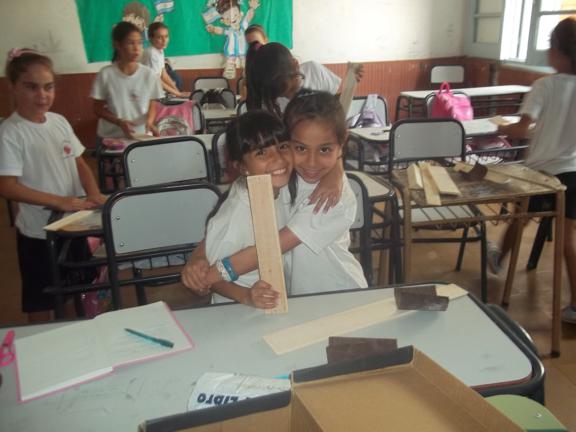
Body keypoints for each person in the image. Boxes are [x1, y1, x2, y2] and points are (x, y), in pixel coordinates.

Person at [181, 91, 367, 301]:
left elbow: (272, 247)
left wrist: (209, 276)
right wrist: (198, 258)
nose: (311, 162)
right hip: (299, 299)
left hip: (340, 295)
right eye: (300, 148)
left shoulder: (331, 198)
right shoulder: (281, 177)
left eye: (324, 150)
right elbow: (223, 225)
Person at [0, 49, 106, 322]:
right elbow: (7, 186)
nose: (42, 95)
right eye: (31, 87)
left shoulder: (58, 122)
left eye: (48, 87)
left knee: (75, 291)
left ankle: (74, 334)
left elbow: (79, 162)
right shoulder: (10, 132)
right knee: (41, 301)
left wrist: (93, 193)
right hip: (39, 234)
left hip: (73, 226)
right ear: (13, 86)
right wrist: (59, 201)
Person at [490, 18, 576, 324]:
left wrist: (502, 127)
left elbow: (522, 130)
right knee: (567, 240)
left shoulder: (544, 86)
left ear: (557, 51)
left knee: (520, 218)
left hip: (542, 173)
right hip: (573, 173)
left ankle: (498, 259)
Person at [196, 110, 293, 308]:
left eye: (283, 146)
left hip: (275, 302)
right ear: (242, 167)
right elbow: (209, 278)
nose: (278, 158)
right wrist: (247, 296)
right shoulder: (235, 215)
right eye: (261, 152)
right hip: (236, 310)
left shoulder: (279, 186)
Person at [91, 21, 163, 140]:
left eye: (139, 43)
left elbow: (152, 104)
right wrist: (119, 122)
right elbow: (97, 108)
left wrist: (149, 122)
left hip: (140, 136)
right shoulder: (106, 74)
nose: (136, 48)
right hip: (112, 138)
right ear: (117, 45)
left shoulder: (149, 74)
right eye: (131, 43)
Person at [141, 22, 189, 98]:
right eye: (160, 37)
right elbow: (156, 80)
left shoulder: (160, 50)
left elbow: (164, 74)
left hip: (153, 91)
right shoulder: (151, 53)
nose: (164, 40)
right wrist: (179, 94)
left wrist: (178, 92)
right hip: (145, 94)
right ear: (151, 39)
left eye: (166, 36)